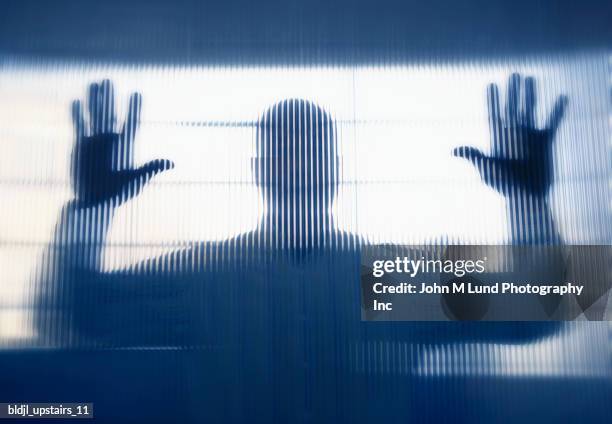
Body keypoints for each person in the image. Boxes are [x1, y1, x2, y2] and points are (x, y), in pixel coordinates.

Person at [33, 75, 572, 421]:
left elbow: (544, 309)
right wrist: (88, 211)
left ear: (336, 170)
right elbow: (77, 318)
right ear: (258, 171)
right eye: (283, 148)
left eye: (312, 148)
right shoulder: (208, 274)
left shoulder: (385, 279)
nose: (298, 161)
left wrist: (528, 203)